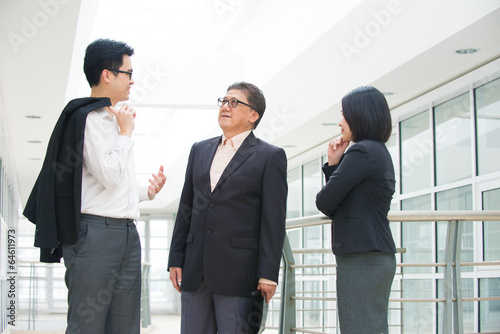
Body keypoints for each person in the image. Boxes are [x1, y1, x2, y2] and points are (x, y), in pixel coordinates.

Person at [23, 38, 167, 333]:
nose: (132, 80)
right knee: (87, 324)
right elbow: (110, 175)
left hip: (126, 232)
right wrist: (126, 133)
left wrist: (146, 192)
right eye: (127, 73)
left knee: (125, 325)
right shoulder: (88, 118)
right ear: (107, 74)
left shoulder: (114, 119)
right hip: (95, 235)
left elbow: (109, 185)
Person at [168, 81, 287, 334]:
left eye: (234, 102)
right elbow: (186, 207)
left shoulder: (269, 156)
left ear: (253, 115)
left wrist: (268, 274)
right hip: (195, 267)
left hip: (238, 272)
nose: (226, 106)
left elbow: (273, 220)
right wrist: (176, 259)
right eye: (223, 101)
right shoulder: (199, 150)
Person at [315, 86, 396, 334]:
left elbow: (325, 201)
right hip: (372, 254)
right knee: (369, 326)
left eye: (344, 115)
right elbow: (343, 198)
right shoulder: (375, 150)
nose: (340, 123)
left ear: (360, 116)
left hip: (363, 257)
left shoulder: (362, 151)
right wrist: (334, 164)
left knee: (359, 327)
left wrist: (333, 165)